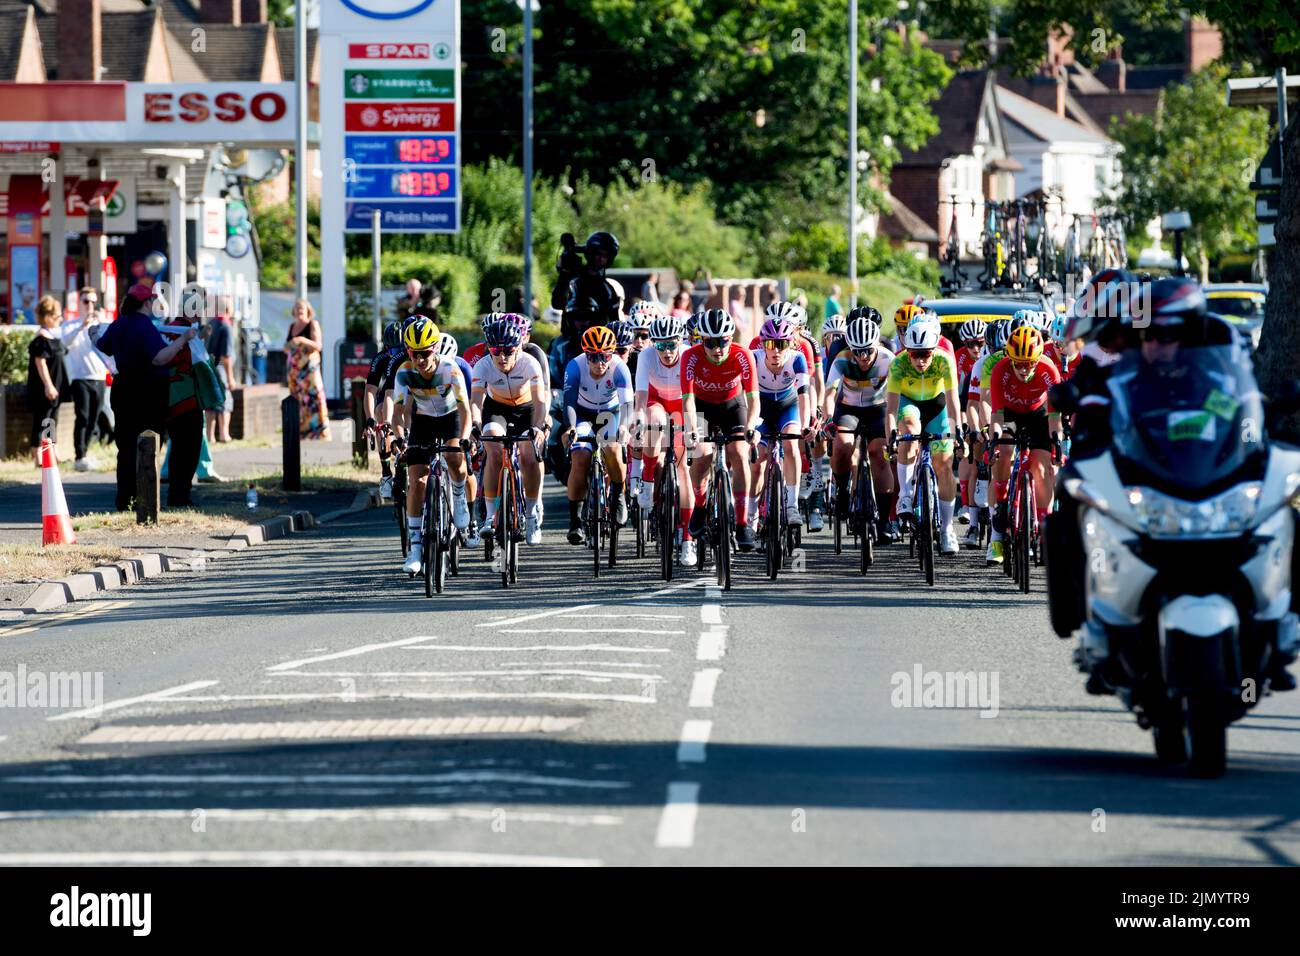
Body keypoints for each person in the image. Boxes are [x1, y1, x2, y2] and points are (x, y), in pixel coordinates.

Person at [94, 284, 196, 511]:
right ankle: (146, 500)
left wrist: (93, 333)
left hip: (122, 390)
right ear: (147, 302)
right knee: (149, 444)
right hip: (149, 391)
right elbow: (159, 358)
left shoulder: (118, 324)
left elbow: (103, 345)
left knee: (126, 448)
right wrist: (183, 340)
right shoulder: (144, 326)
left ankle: (125, 500)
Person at [391, 316, 472, 575]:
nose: (420, 359)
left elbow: (465, 409)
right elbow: (398, 412)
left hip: (451, 418)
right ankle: (415, 549)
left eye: (425, 353)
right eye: (414, 353)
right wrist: (400, 437)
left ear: (434, 349)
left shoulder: (450, 369)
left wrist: (465, 438)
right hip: (423, 420)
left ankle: (458, 495)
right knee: (418, 481)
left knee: (454, 459)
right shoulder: (404, 372)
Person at [681, 309, 760, 552]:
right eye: (710, 342)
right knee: (702, 453)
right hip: (703, 407)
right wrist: (692, 429)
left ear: (731, 338)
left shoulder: (743, 355)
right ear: (701, 340)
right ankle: (701, 505)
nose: (718, 348)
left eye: (723, 341)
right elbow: (688, 400)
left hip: (732, 406)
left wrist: (750, 428)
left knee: (738, 452)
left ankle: (742, 521)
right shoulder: (690, 357)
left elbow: (754, 400)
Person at [61, 287, 113, 471]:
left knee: (94, 418)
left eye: (93, 301)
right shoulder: (70, 324)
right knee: (82, 417)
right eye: (86, 301)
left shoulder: (102, 323)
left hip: (99, 377)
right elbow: (64, 342)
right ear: (79, 303)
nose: (90, 305)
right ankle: (79, 456)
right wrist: (82, 325)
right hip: (80, 377)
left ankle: (86, 453)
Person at [555, 231, 623, 366]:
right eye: (598, 254)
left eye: (605, 256)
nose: (601, 259)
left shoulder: (608, 289)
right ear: (590, 253)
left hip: (599, 349)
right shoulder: (573, 281)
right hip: (569, 345)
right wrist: (564, 276)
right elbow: (557, 302)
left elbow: (615, 323)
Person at [27, 296, 67, 465]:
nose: (61, 319)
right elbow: (40, 362)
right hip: (44, 388)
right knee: (41, 420)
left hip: (55, 386)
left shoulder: (53, 336)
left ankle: (53, 453)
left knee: (52, 420)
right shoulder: (41, 339)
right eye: (58, 316)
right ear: (48, 316)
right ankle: (38, 457)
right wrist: (48, 386)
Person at [285, 298, 332, 440]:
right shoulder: (291, 326)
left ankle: (320, 432)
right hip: (295, 371)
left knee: (315, 398)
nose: (299, 311)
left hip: (309, 371)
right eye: (297, 308)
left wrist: (301, 340)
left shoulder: (312, 324)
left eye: (302, 308)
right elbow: (286, 347)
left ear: (308, 311)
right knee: (297, 399)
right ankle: (301, 432)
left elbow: (318, 345)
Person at [205, 298, 236, 444]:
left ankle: (210, 436)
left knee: (211, 401)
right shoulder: (226, 326)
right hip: (220, 368)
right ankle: (224, 434)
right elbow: (226, 356)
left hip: (208, 366)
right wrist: (231, 378)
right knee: (225, 399)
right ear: (229, 309)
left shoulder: (211, 323)